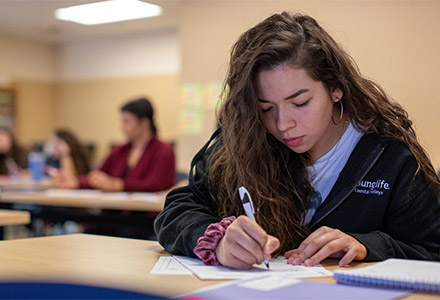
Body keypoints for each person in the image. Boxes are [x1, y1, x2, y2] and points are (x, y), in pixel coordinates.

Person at [154, 12, 440, 270]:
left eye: (300, 102)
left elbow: (431, 251)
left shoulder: (390, 156)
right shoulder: (244, 142)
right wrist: (216, 240)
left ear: (336, 88)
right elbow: (177, 211)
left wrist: (370, 246)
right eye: (266, 108)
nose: (282, 124)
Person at [58, 97, 176, 193]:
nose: (122, 127)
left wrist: (118, 185)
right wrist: (76, 182)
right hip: (115, 213)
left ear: (144, 123)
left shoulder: (164, 151)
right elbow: (98, 175)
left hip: (148, 217)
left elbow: (156, 185)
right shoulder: (119, 151)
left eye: (126, 121)